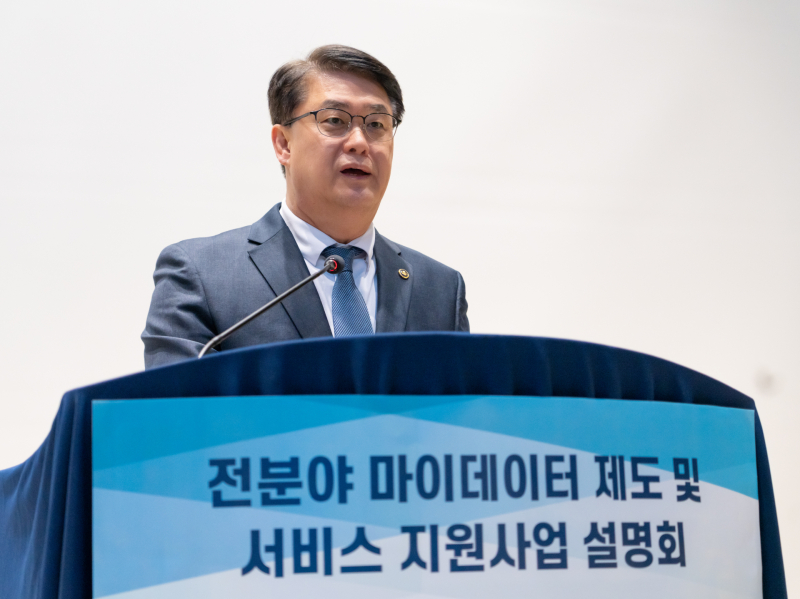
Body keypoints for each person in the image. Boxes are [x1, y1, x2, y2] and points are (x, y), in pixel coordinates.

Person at [142, 45, 469, 369]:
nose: (359, 142)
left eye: (376, 124)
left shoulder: (440, 289)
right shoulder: (202, 276)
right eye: (335, 120)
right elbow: (176, 402)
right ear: (284, 144)